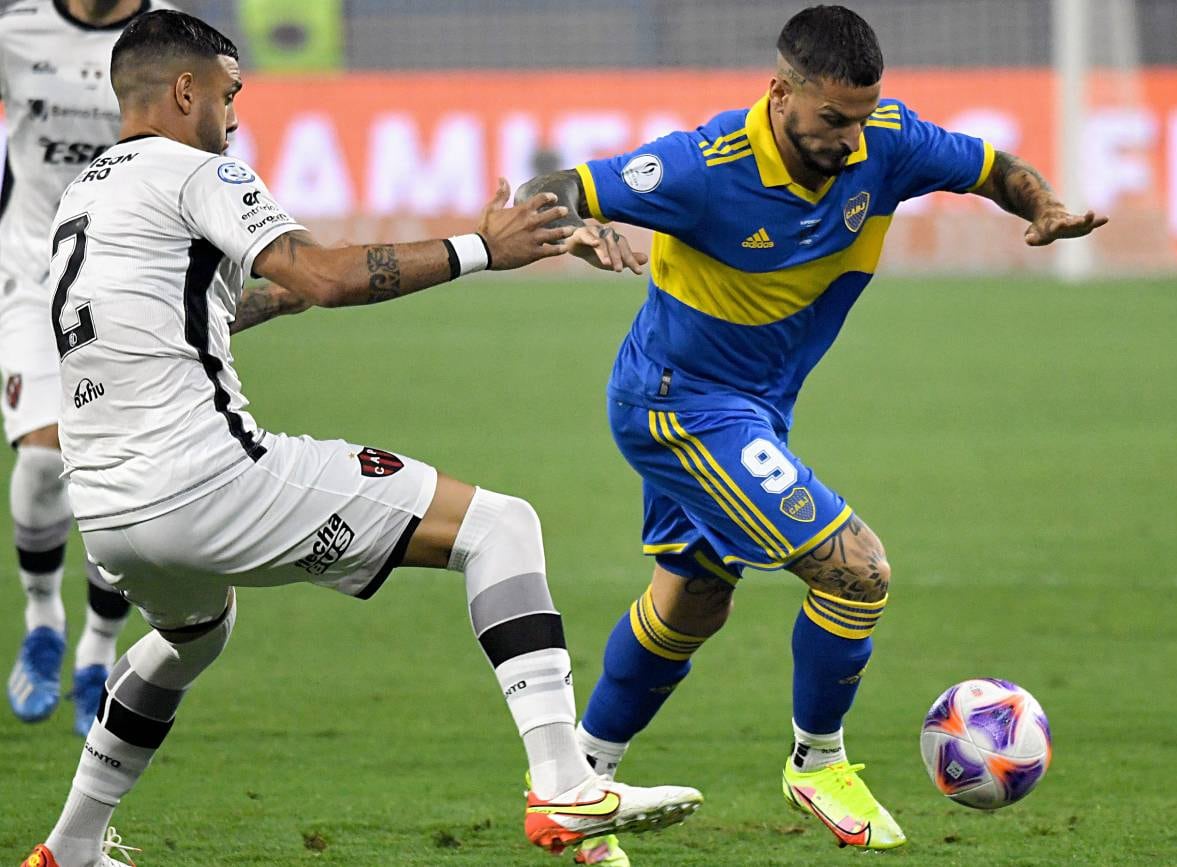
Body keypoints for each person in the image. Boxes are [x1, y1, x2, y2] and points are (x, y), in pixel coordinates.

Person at [23, 10, 701, 867]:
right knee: (500, 526)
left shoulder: (88, 192)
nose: (235, 117)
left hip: (110, 514)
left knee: (195, 633)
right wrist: (480, 249)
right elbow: (328, 274)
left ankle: (71, 845)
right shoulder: (197, 171)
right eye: (229, 95)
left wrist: (448, 251)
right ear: (185, 89)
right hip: (204, 481)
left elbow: (228, 310)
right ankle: (565, 785)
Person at [517, 4, 1107, 860]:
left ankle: (575, 791)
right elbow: (557, 189)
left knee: (693, 600)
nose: (849, 138)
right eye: (832, 118)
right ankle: (816, 759)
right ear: (780, 92)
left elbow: (991, 167)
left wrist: (1042, 203)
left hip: (750, 407)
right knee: (857, 571)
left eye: (862, 116)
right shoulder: (703, 165)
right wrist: (579, 227)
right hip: (679, 404)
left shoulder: (886, 142)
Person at [0, 0, 169, 738]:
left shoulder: (169, 38)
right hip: (29, 276)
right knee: (44, 460)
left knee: (113, 476)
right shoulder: (16, 28)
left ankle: (99, 650)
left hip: (127, 283)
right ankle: (43, 621)